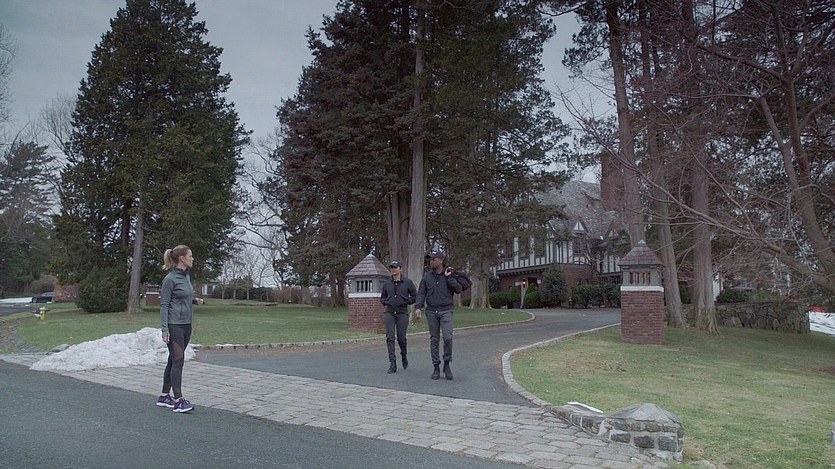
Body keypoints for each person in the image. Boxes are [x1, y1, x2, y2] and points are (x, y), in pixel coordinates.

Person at [157, 245, 204, 413]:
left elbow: (182, 297)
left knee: (173, 359)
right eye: (190, 256)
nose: (192, 259)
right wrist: (165, 330)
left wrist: (194, 300)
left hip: (186, 325)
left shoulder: (186, 277)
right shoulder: (170, 279)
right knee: (178, 360)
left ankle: (164, 396)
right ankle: (178, 400)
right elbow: (164, 304)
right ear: (182, 258)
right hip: (174, 325)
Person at [414, 250, 463, 380]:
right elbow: (421, 293)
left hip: (446, 310)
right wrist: (418, 307)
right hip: (431, 311)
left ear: (441, 260)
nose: (431, 262)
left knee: (448, 338)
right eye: (430, 259)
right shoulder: (427, 277)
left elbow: (458, 289)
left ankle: (446, 364)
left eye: (434, 259)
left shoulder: (449, 274)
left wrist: (449, 278)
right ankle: (436, 367)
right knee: (434, 339)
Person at [379, 260, 417, 374]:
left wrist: (406, 301)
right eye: (391, 267)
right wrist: (387, 301)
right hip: (390, 313)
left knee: (401, 338)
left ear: (400, 268)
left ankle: (404, 356)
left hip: (402, 313)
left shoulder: (407, 282)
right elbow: (382, 298)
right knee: (390, 337)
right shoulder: (387, 283)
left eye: (395, 267)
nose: (393, 269)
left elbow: (415, 296)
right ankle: (392, 363)